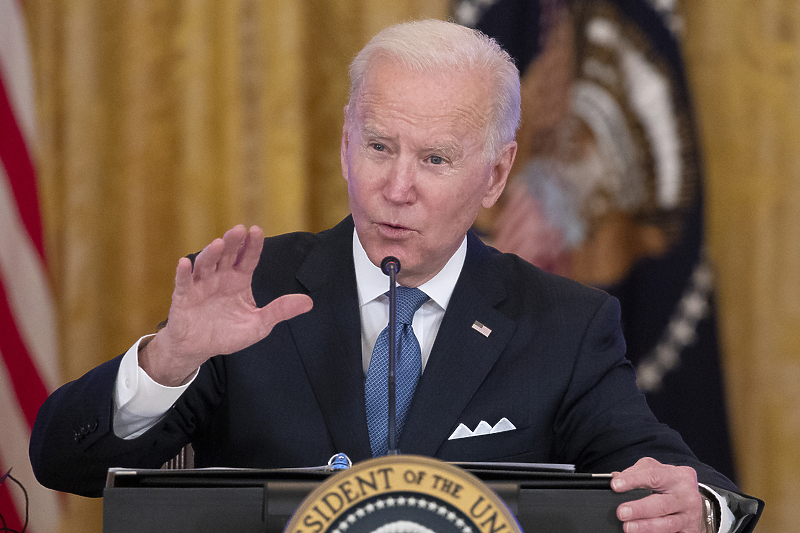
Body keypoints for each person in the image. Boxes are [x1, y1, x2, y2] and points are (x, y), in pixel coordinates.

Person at [30, 20, 760, 533]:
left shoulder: (563, 323)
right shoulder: (251, 288)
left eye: (435, 159)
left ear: (496, 172)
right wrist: (169, 358)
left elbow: (669, 472)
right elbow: (65, 461)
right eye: (379, 145)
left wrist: (698, 509)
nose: (396, 186)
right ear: (346, 135)